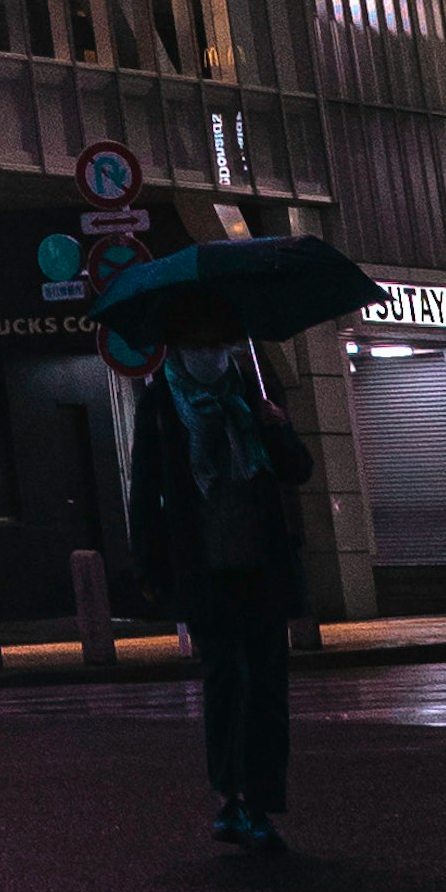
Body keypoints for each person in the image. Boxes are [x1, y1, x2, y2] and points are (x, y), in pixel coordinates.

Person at [117, 309, 314, 853]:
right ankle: (233, 795)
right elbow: (145, 494)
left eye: (221, 339)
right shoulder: (162, 406)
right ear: (178, 346)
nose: (212, 351)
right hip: (205, 571)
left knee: (268, 690)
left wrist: (279, 428)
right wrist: (149, 569)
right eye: (200, 340)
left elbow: (298, 469)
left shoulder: (252, 394)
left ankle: (260, 801)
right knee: (230, 680)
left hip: (263, 568)